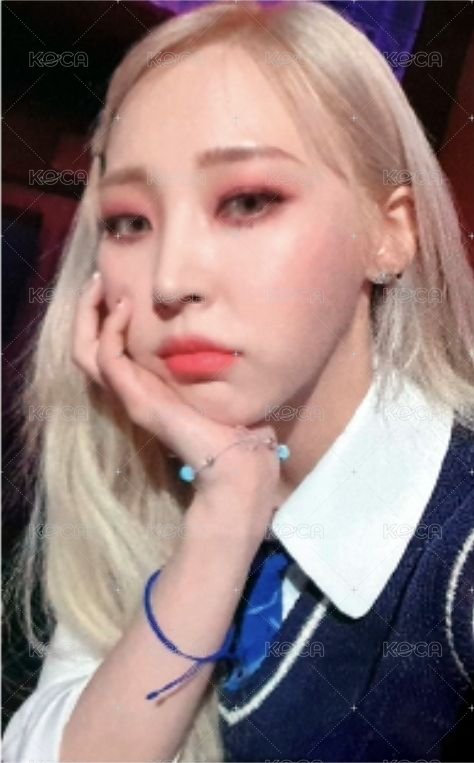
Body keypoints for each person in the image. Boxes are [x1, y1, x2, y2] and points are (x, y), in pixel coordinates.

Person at [3, 1, 474, 761]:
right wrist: (225, 514)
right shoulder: (142, 478)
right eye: (129, 221)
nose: (170, 281)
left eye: (248, 201)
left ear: (391, 233)